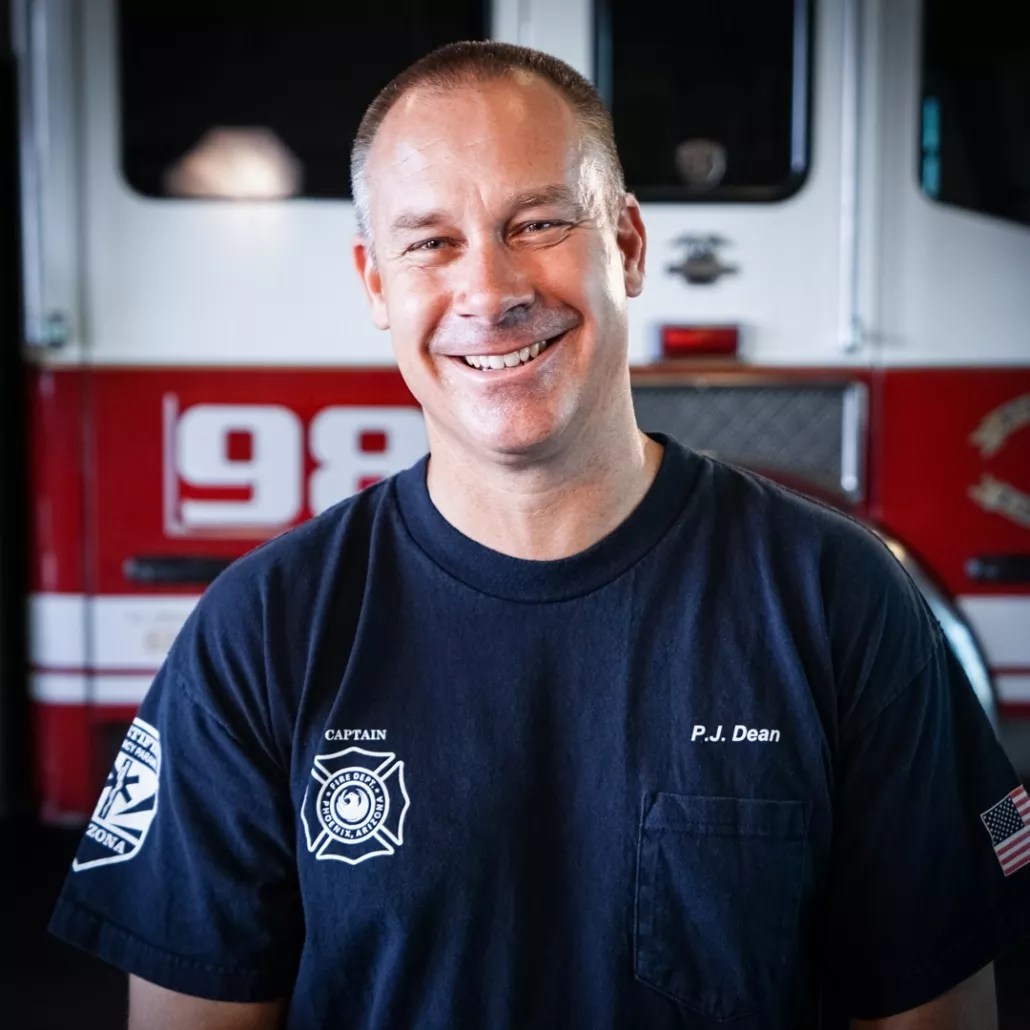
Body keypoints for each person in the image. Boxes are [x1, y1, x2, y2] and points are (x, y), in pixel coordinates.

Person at [50, 41, 1030, 1030]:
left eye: (539, 222)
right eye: (430, 242)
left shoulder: (839, 600)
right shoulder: (261, 633)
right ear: (375, 283)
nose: (489, 291)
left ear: (629, 245)